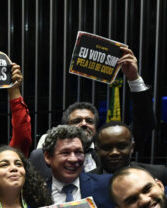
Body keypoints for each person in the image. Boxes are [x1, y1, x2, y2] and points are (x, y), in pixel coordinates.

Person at [27, 47, 156, 178]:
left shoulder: (107, 151)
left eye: (89, 121)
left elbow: (144, 123)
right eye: (77, 121)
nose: (84, 124)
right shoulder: (44, 155)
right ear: (65, 126)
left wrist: (133, 79)